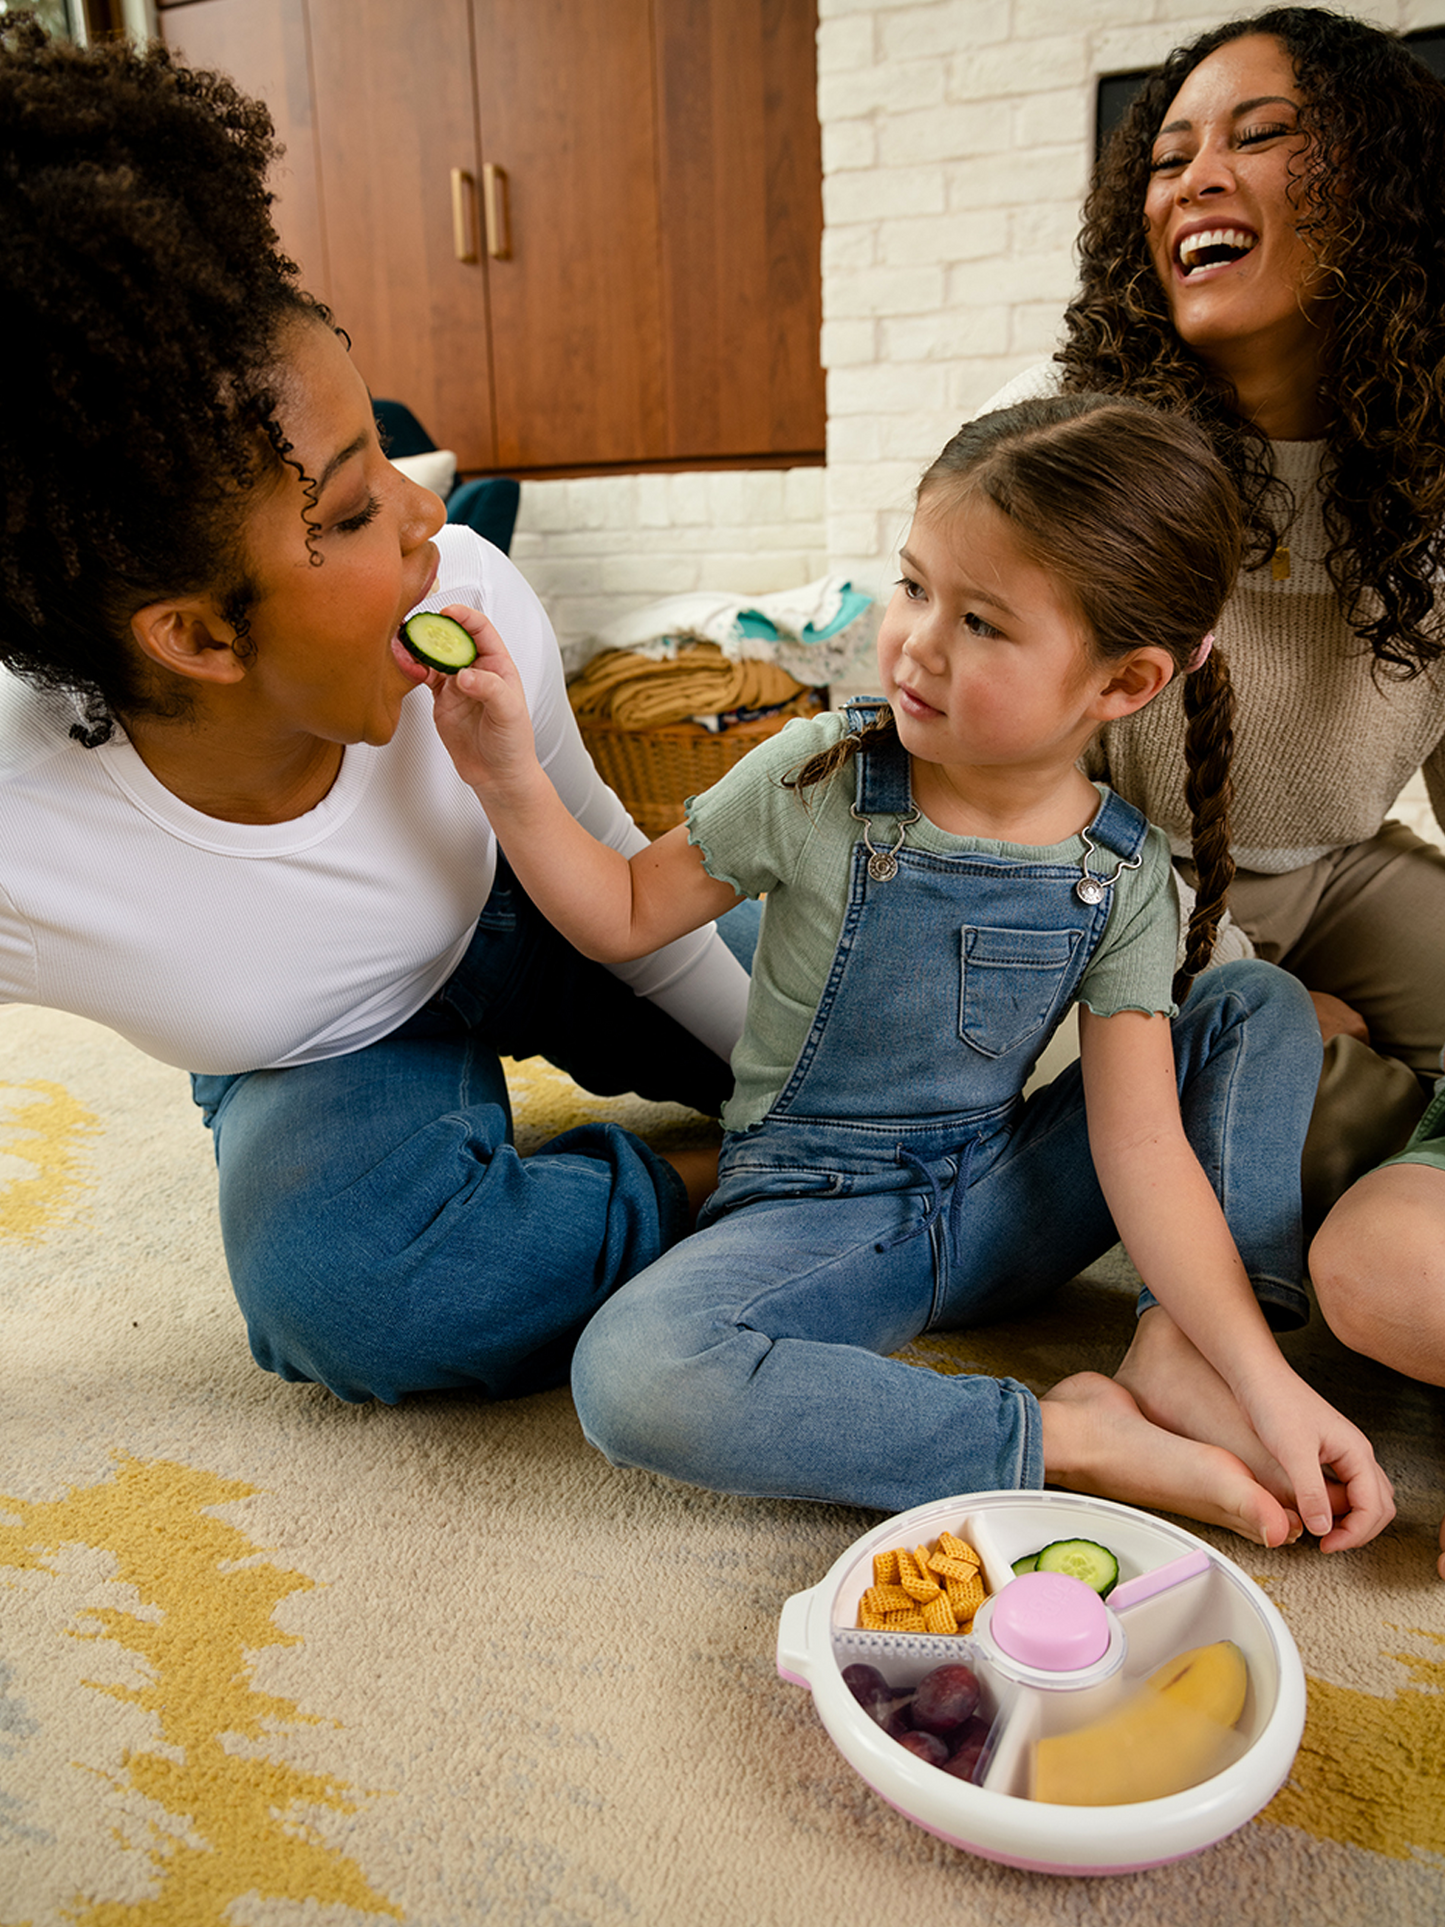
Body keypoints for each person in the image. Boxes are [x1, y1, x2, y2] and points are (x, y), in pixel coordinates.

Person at [419, 391, 1395, 1554]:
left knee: (1253, 1004)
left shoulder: (1118, 870)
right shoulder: (818, 770)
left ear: (1124, 683)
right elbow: (627, 912)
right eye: (916, 584)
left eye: (981, 622)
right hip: (810, 1215)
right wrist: (505, 776)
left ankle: (1182, 1358)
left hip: (1002, 1200)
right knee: (634, 1373)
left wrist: (1269, 1383)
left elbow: (1136, 1148)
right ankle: (1070, 1438)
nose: (917, 642)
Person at [0, 17, 758, 1405]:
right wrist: (764, 1163)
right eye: (353, 510)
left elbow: (623, 896)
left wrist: (800, 1083)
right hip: (319, 1045)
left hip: (546, 902)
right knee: (349, 1284)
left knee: (876, 986)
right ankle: (704, 1188)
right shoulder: (18, 825)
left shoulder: (464, 590)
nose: (427, 519)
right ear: (195, 634)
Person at [985, 7, 1445, 1228]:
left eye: (1260, 134)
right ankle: (1307, 1078)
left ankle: (1337, 1073)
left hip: (1334, 870)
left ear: (1379, 186)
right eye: (1166, 157)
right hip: (1104, 879)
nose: (1194, 180)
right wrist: (1242, 983)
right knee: (1261, 1136)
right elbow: (1005, 802)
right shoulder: (1058, 434)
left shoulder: (1432, 451)